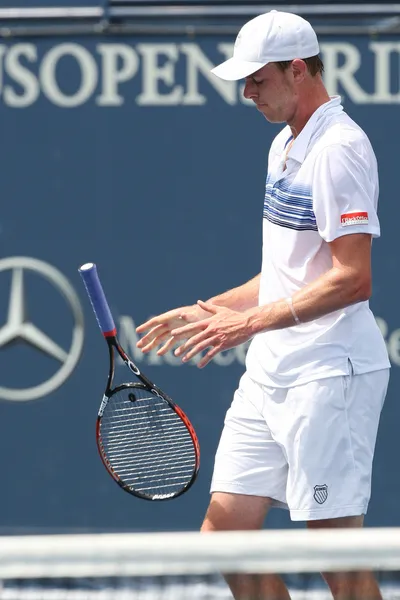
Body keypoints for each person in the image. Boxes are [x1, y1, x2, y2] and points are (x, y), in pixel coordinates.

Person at [136, 10, 390, 600]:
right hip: (270, 373)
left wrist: (245, 324)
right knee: (227, 539)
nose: (248, 93)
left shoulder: (340, 149)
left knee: (337, 560)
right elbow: (288, 273)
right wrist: (209, 310)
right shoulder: (283, 144)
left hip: (330, 375)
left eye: (258, 80)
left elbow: (353, 279)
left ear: (297, 70)